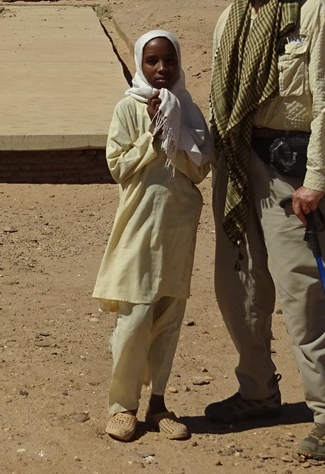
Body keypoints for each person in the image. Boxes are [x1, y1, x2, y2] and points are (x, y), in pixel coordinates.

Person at [205, 0, 325, 461]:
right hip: (240, 169)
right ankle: (257, 392)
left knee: (305, 296)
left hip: (292, 172)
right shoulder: (230, 19)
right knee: (239, 286)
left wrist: (317, 180)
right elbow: (221, 95)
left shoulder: (312, 12)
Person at [93, 30, 213, 442]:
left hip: (178, 226)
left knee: (169, 316)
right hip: (138, 226)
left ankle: (158, 403)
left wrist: (178, 129)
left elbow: (200, 169)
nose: (162, 69)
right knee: (135, 318)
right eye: (152, 61)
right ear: (140, 65)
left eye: (169, 61)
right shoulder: (128, 109)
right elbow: (119, 167)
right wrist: (154, 131)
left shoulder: (191, 110)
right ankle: (121, 406)